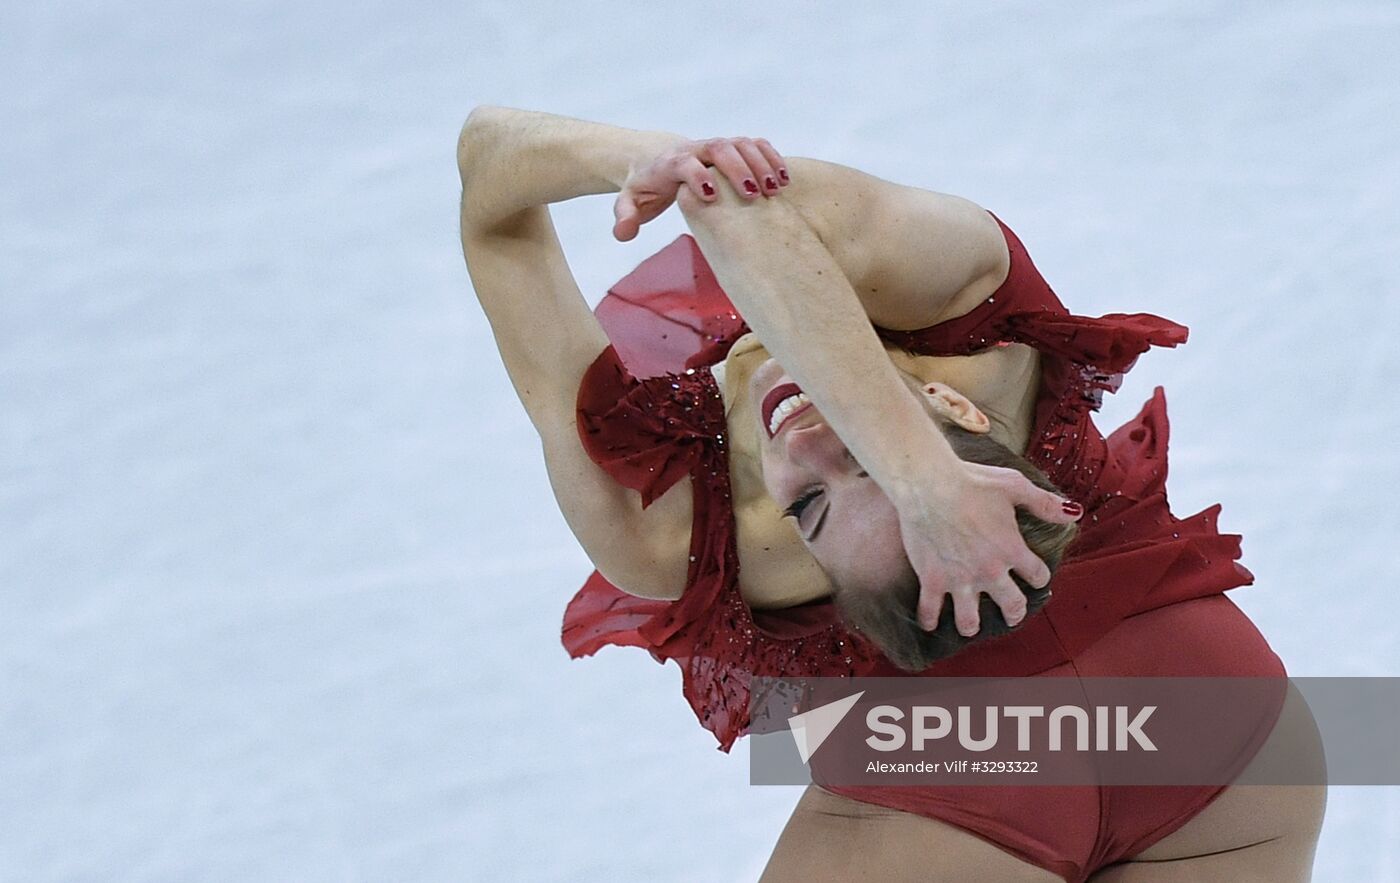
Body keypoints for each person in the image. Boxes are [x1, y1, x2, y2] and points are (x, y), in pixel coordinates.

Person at [458, 106, 1326, 881]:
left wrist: (924, 482)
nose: (805, 441)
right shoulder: (969, 326)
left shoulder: (667, 528)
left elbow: (651, 197)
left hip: (963, 779)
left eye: (852, 473)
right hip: (1223, 732)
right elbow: (680, 191)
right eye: (820, 504)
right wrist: (652, 156)